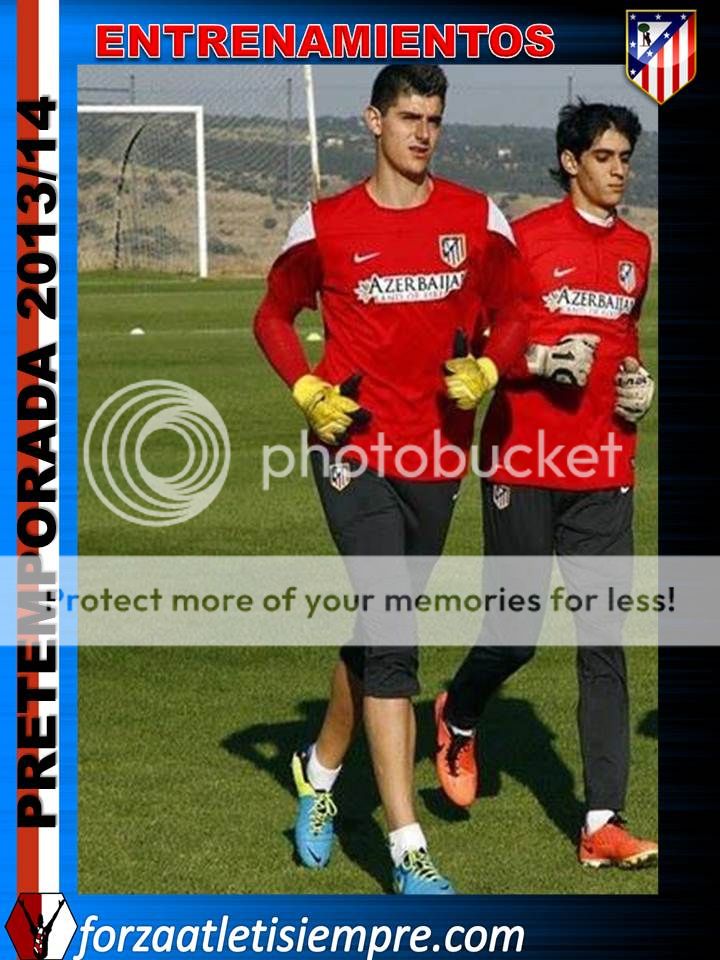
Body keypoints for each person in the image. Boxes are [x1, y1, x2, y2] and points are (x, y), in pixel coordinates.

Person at [254, 64, 534, 894]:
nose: (423, 132)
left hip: (438, 455)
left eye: (435, 119)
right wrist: (303, 386)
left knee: (381, 633)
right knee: (392, 626)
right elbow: (272, 312)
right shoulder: (326, 224)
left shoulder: (475, 218)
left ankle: (317, 771)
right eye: (408, 116)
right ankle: (407, 848)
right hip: (353, 450)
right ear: (372, 122)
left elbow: (517, 311)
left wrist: (490, 365)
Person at [434, 100, 658, 870]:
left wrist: (638, 391)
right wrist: (532, 364)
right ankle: (458, 713)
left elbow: (624, 343)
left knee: (605, 643)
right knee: (515, 636)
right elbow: (465, 345)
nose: (619, 169)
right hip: (523, 463)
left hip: (605, 468)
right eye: (604, 156)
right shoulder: (520, 242)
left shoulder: (637, 248)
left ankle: (602, 822)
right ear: (569, 161)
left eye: (626, 156)